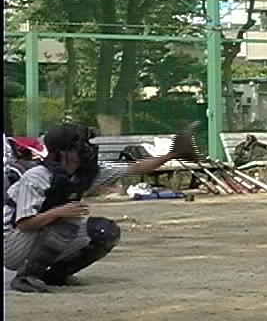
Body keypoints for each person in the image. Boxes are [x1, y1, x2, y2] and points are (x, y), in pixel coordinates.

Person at [3, 121, 201, 292]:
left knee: (104, 231)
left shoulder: (85, 173)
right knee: (67, 222)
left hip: (37, 233)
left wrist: (172, 155)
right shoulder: (37, 176)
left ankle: (55, 276)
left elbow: (136, 167)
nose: (87, 148)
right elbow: (24, 223)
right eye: (80, 145)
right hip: (11, 242)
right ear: (63, 152)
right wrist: (58, 212)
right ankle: (25, 278)